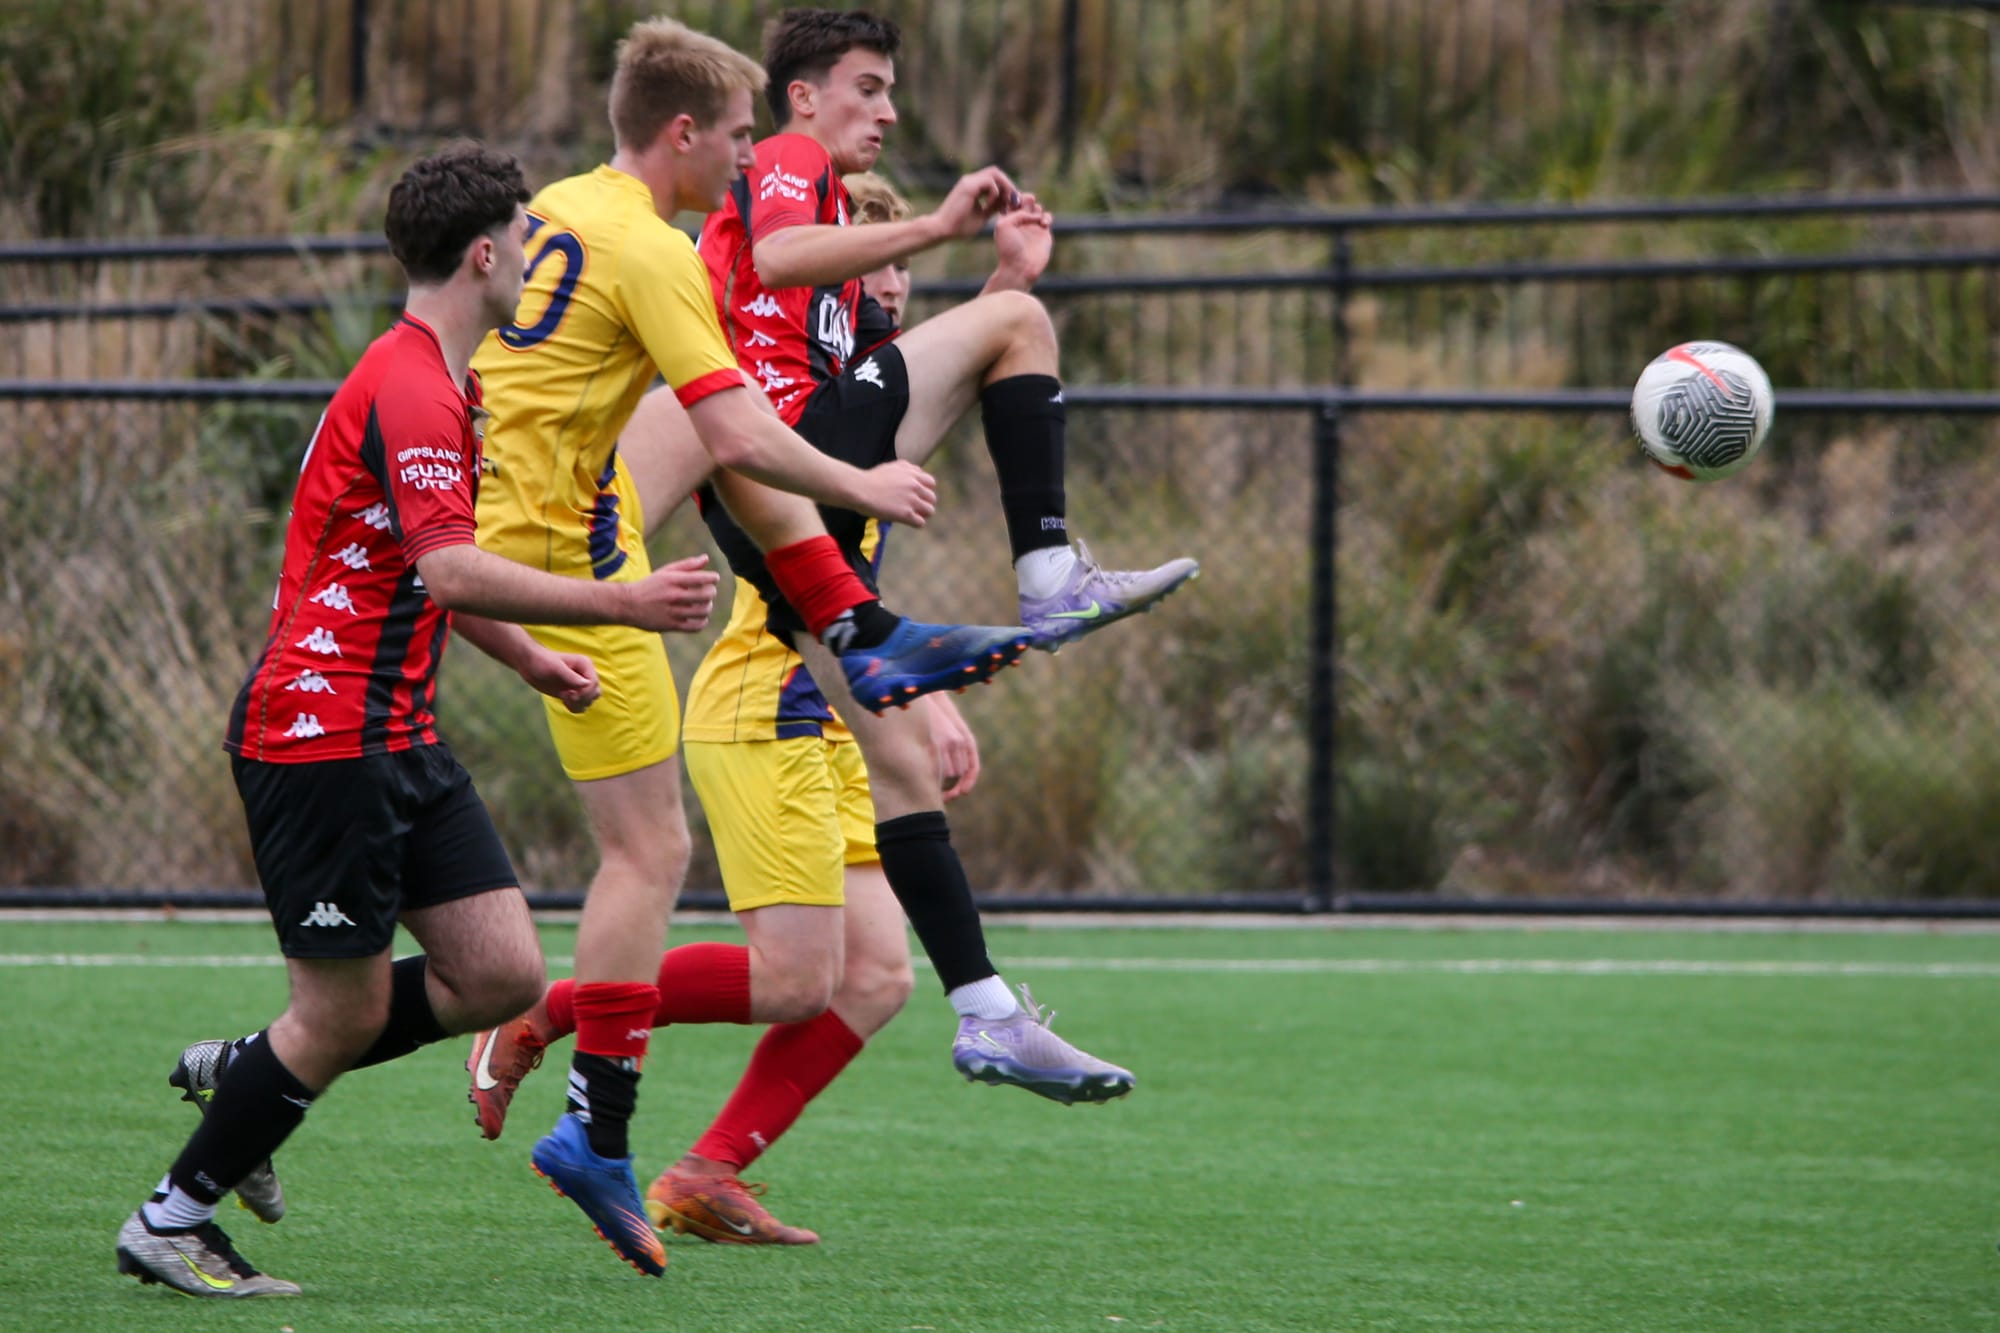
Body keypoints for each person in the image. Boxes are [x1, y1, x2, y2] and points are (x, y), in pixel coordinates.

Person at [463, 172, 1137, 1248]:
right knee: (794, 978)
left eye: (906, 264)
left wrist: (1007, 283)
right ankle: (550, 1011)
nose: (896, 283)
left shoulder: (847, 394)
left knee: (873, 978)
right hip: (764, 695)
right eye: (876, 260)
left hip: (835, 704)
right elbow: (801, 490)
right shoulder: (758, 394)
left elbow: (902, 430)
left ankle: (706, 1172)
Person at [114, 143, 719, 1298]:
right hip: (321, 736)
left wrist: (532, 659)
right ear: (484, 254)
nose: (536, 257)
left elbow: (432, 565)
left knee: (498, 970)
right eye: (527, 239)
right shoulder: (413, 385)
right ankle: (170, 1218)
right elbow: (448, 569)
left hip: (392, 732)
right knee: (336, 1013)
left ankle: (252, 1071)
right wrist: (621, 603)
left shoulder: (449, 380)